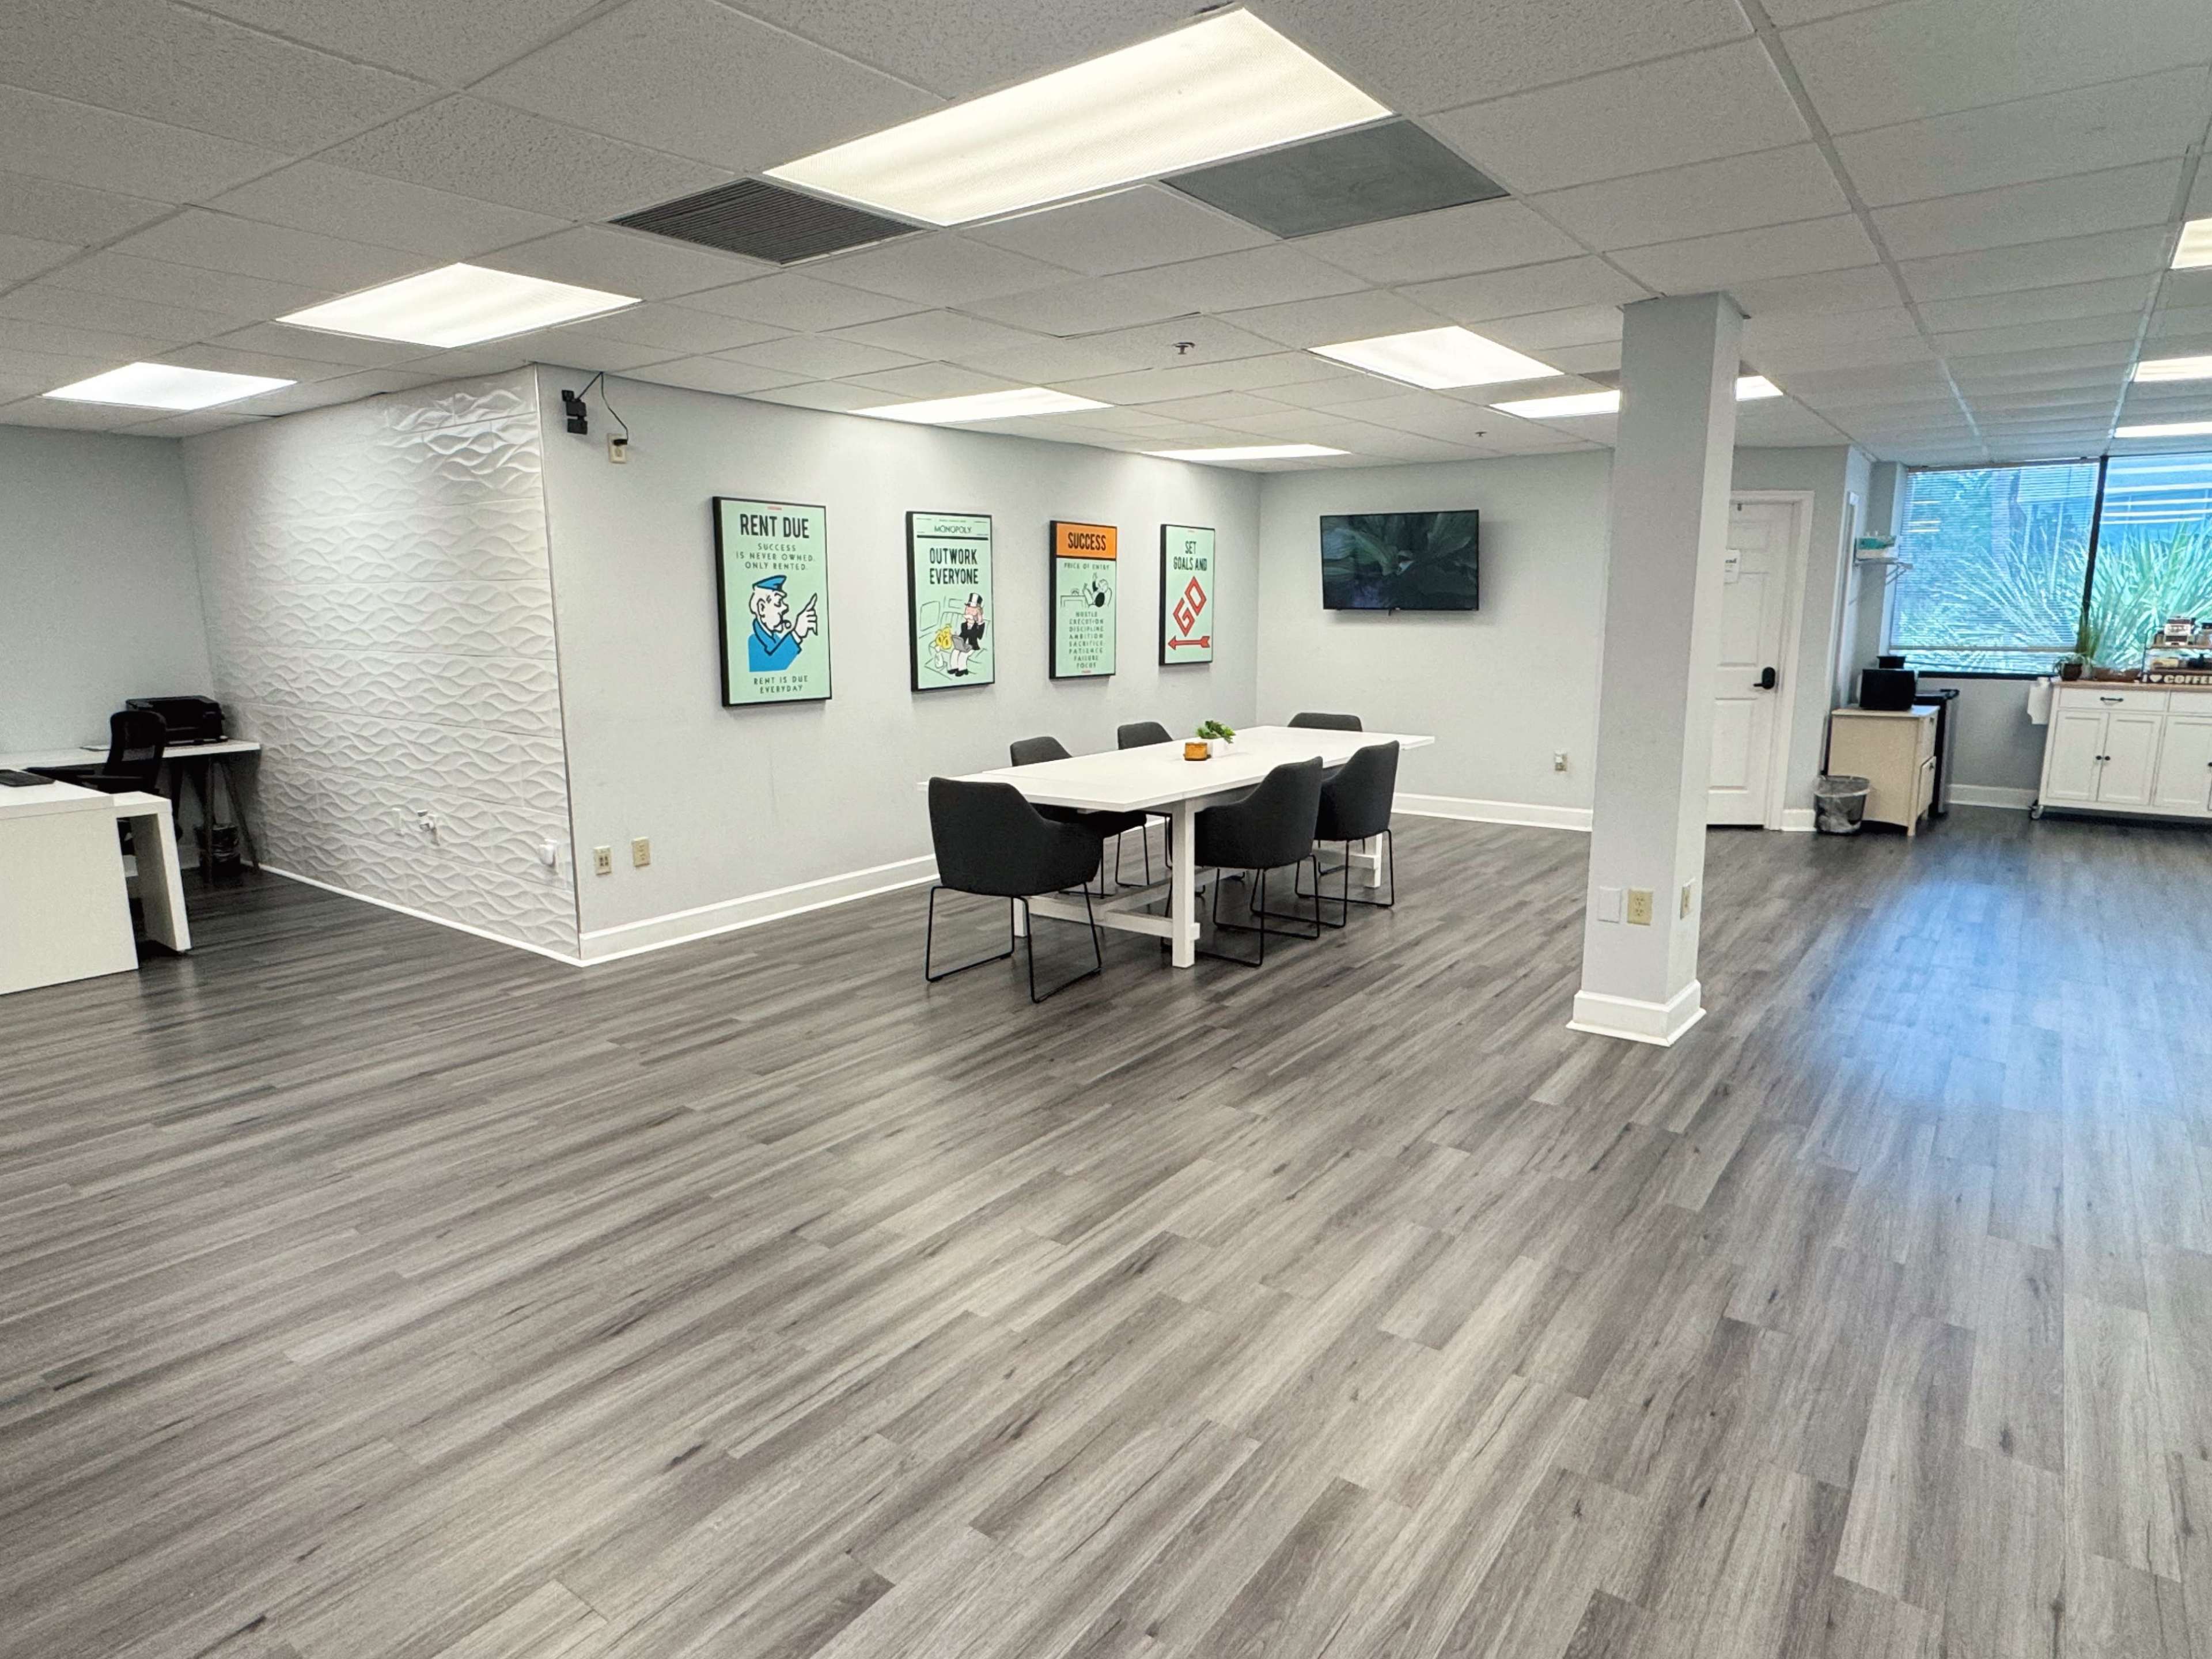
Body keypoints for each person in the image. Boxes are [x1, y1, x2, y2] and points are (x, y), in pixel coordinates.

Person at [747, 574, 818, 672]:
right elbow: (772, 665)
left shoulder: (776, 639)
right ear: (762, 608)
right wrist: (797, 633)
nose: (785, 607)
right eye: (778, 603)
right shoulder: (753, 642)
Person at [949, 592, 986, 676]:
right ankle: (954, 668)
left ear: (978, 613)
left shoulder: (978, 626)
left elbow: (980, 637)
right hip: (964, 645)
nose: (969, 612)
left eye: (973, 611)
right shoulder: (964, 625)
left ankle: (963, 670)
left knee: (963, 655)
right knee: (955, 651)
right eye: (968, 610)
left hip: (972, 647)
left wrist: (979, 622)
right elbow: (963, 636)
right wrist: (956, 638)